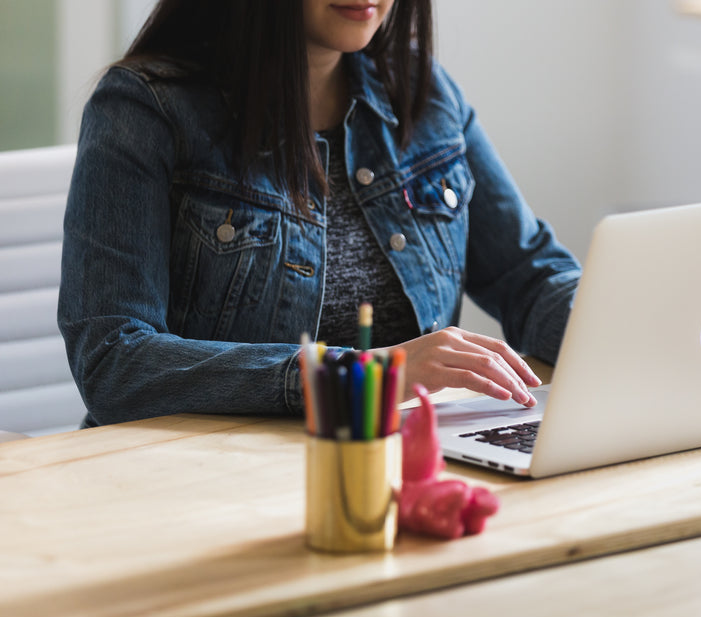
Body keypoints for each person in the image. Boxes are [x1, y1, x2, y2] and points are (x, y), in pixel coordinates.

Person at [58, 0, 581, 428]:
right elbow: (113, 362)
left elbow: (530, 276)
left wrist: (632, 325)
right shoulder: (144, 108)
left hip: (401, 460)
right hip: (202, 481)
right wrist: (370, 375)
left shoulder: (425, 93)